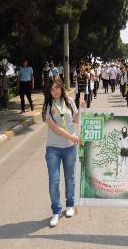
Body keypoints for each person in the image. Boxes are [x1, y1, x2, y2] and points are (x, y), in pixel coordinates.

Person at [42, 77, 82, 227]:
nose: (55, 91)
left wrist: (82, 108)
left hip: (70, 148)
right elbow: (54, 128)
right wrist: (73, 137)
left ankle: (70, 205)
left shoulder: (70, 101)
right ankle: (56, 211)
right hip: (53, 148)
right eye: (51, 89)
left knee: (70, 177)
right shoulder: (48, 105)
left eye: (57, 88)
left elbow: (76, 119)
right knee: (54, 180)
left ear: (61, 87)